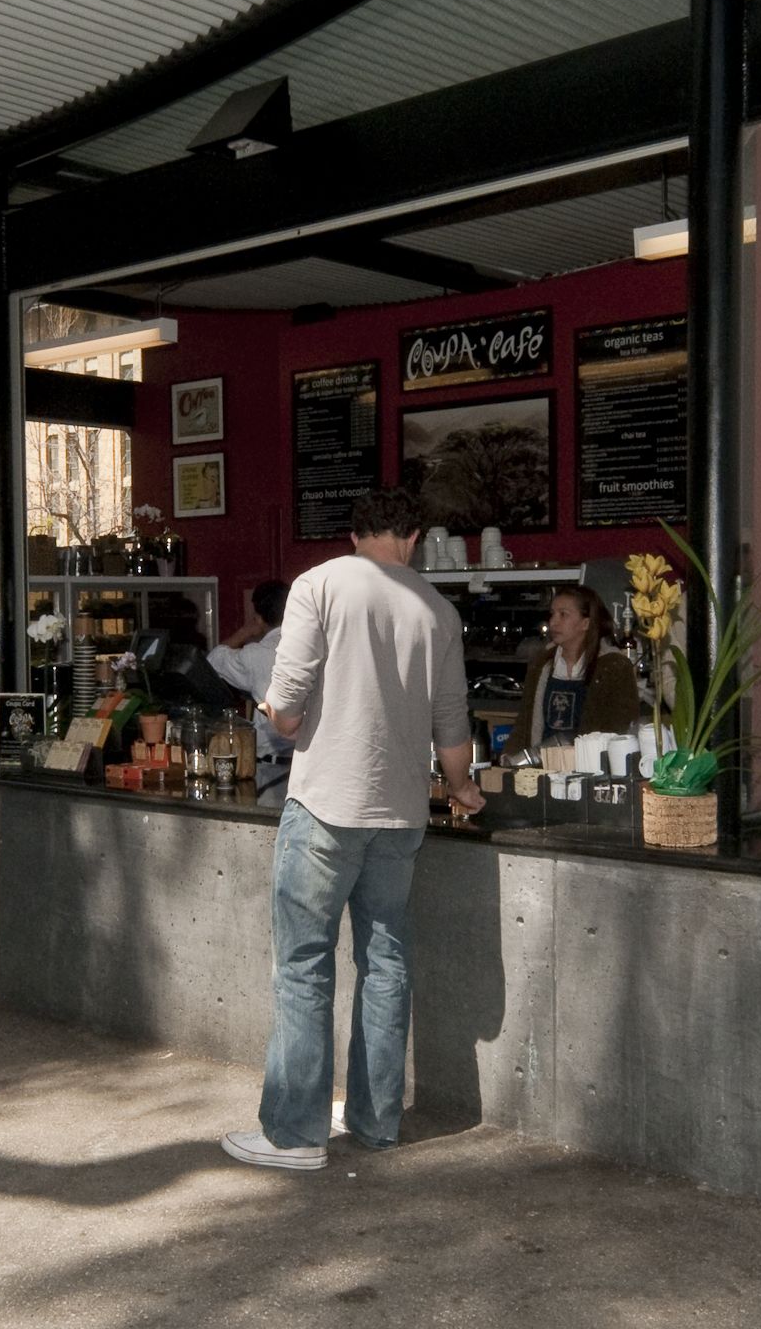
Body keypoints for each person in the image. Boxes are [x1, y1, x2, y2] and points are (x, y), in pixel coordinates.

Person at [224, 487, 480, 1171]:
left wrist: (285, 716)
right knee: (386, 963)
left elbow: (283, 707)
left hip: (326, 806)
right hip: (400, 815)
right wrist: (462, 789)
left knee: (304, 967)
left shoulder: (319, 585)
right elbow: (453, 728)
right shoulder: (439, 610)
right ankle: (376, 1122)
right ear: (415, 535)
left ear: (354, 533)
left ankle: (295, 1135)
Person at [508, 583, 638, 758]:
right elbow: (525, 722)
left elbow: (619, 729)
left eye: (564, 615)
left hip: (591, 769)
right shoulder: (542, 666)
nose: (553, 622)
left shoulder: (613, 666)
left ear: (586, 623)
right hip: (542, 768)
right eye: (552, 614)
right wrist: (510, 757)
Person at [207, 581, 294, 806]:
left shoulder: (255, 655)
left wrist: (247, 631)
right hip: (314, 767)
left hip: (271, 768)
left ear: (259, 617)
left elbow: (214, 661)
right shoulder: (319, 645)